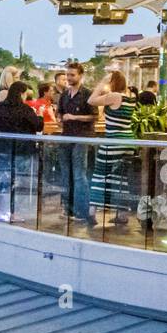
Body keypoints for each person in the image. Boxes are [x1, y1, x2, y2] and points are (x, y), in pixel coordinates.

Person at [88, 71, 139, 225]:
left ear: (113, 82)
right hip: (128, 141)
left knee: (100, 175)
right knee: (121, 178)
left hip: (114, 141)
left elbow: (91, 100)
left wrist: (102, 81)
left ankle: (91, 212)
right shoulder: (131, 97)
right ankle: (122, 214)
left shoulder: (114, 96)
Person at [56, 61, 96, 226]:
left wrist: (74, 117)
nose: (69, 78)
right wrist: (59, 119)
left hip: (82, 137)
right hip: (66, 136)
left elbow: (94, 116)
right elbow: (59, 112)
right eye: (68, 75)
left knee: (79, 174)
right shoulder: (64, 95)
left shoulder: (88, 94)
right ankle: (68, 208)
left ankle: (82, 210)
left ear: (80, 76)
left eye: (72, 75)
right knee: (66, 173)